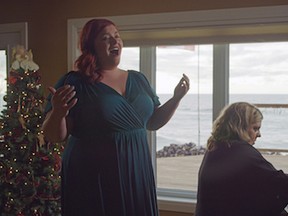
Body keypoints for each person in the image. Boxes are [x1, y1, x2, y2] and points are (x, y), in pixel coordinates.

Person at [42, 18, 189, 216]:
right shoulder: (75, 82)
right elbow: (54, 136)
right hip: (95, 175)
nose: (115, 41)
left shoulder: (138, 79)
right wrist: (58, 112)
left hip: (136, 169)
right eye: (106, 38)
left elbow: (152, 122)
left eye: (117, 36)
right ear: (90, 46)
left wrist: (176, 99)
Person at [195, 102, 288, 216]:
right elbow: (280, 184)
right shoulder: (244, 154)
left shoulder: (215, 148)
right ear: (241, 127)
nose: (259, 135)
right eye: (255, 128)